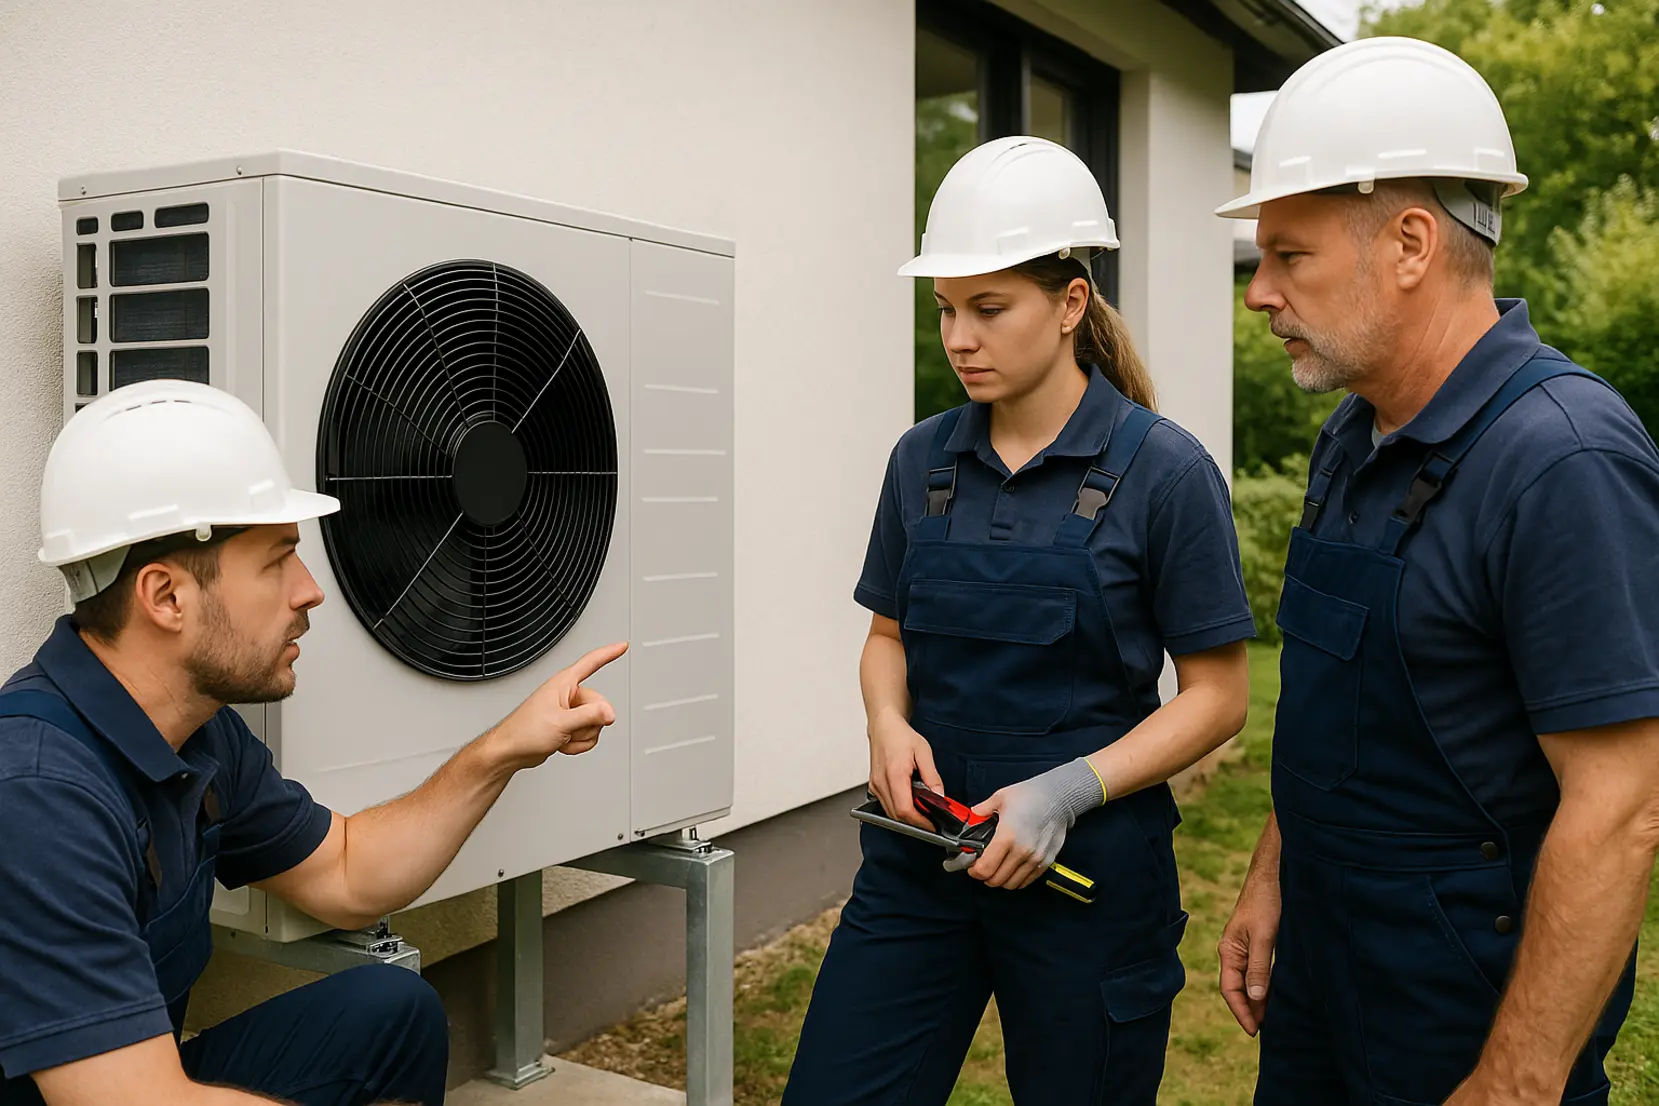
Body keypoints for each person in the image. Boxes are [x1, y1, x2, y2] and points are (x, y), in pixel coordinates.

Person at [1214, 35, 1659, 1106]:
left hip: (1462, 1009)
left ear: (1410, 242)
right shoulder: (1351, 435)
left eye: (1290, 256)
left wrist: (1514, 1079)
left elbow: (1622, 803)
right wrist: (1275, 870)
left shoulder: (1562, 459)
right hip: (1320, 974)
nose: (1259, 293)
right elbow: (1333, 700)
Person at [781, 135, 1255, 1105]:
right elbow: (887, 638)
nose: (959, 337)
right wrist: (886, 724)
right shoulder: (920, 460)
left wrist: (1066, 792)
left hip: (1089, 884)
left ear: (1071, 303)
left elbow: (1218, 695)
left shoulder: (1166, 472)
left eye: (988, 309)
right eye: (946, 309)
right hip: (921, 865)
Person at [0, 379, 626, 1106]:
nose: (309, 590)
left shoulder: (194, 733)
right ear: (166, 597)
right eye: (276, 561)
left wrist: (505, 748)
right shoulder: (39, 795)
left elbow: (348, 873)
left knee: (390, 1011)